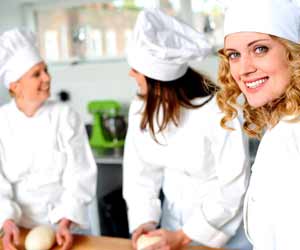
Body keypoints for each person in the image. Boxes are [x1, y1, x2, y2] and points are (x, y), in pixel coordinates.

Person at [123, 8, 251, 250]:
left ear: (157, 81)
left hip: (224, 230)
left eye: (136, 70)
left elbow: (232, 186)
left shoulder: (220, 110)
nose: (130, 74)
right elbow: (140, 173)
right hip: (172, 226)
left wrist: (186, 234)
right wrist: (144, 221)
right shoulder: (141, 107)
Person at [0, 28, 97, 250]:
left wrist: (66, 221)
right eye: (36, 74)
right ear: (15, 86)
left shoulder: (65, 116)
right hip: (20, 231)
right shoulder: (1, 123)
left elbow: (80, 175)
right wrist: (6, 221)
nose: (47, 78)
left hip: (67, 229)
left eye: (46, 70)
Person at [217, 0, 300, 249]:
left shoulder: (290, 137)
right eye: (234, 55)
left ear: (293, 54)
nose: (244, 69)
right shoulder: (282, 126)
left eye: (260, 49)